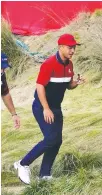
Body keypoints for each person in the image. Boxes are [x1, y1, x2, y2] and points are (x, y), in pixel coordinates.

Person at [14, 34, 85, 184]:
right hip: (41, 107)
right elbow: (39, 86)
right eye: (69, 47)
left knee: (57, 141)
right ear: (60, 47)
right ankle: (22, 164)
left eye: (74, 47)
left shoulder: (69, 65)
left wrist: (76, 82)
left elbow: (68, 85)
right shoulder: (49, 64)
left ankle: (44, 174)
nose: (72, 50)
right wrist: (46, 108)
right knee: (51, 138)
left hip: (56, 107)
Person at [1, 53, 21, 129]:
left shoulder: (1, 75)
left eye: (3, 68)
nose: (2, 71)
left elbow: (5, 94)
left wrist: (14, 114)